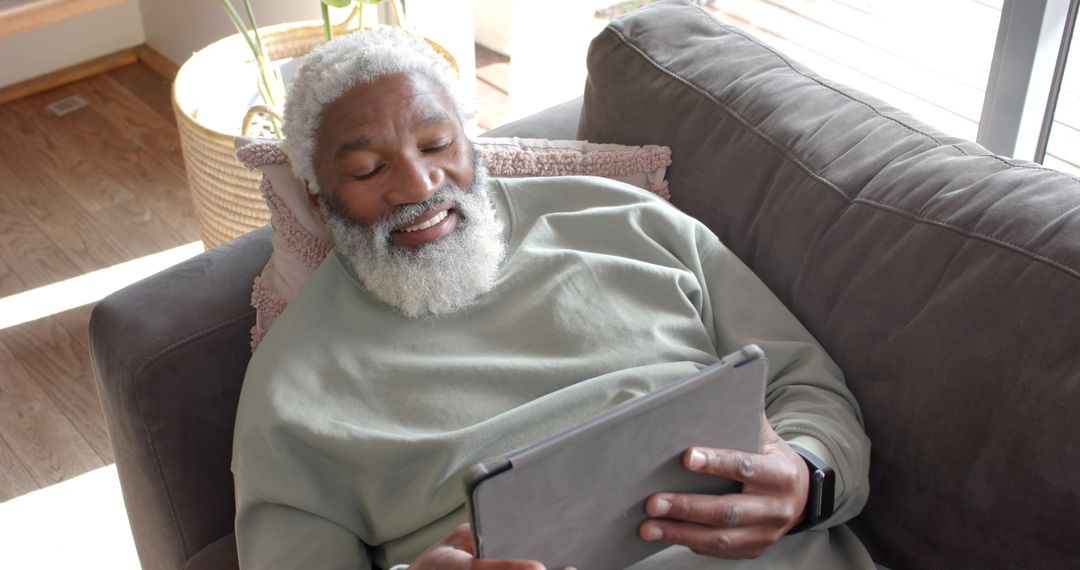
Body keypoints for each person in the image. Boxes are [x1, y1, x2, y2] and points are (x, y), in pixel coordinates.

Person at [232, 27, 873, 570]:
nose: (418, 184)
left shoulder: (626, 217)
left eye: (436, 145)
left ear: (469, 142)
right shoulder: (290, 385)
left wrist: (808, 477)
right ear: (319, 198)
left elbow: (804, 385)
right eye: (368, 169)